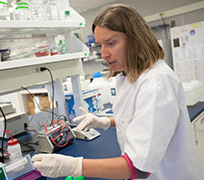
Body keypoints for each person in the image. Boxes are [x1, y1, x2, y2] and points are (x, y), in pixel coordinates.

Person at [32, 4, 203, 180]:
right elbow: (140, 117)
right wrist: (105, 121)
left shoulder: (155, 83)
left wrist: (72, 166)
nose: (104, 53)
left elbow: (137, 168)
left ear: (135, 39)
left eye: (111, 43)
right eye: (100, 45)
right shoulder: (129, 76)